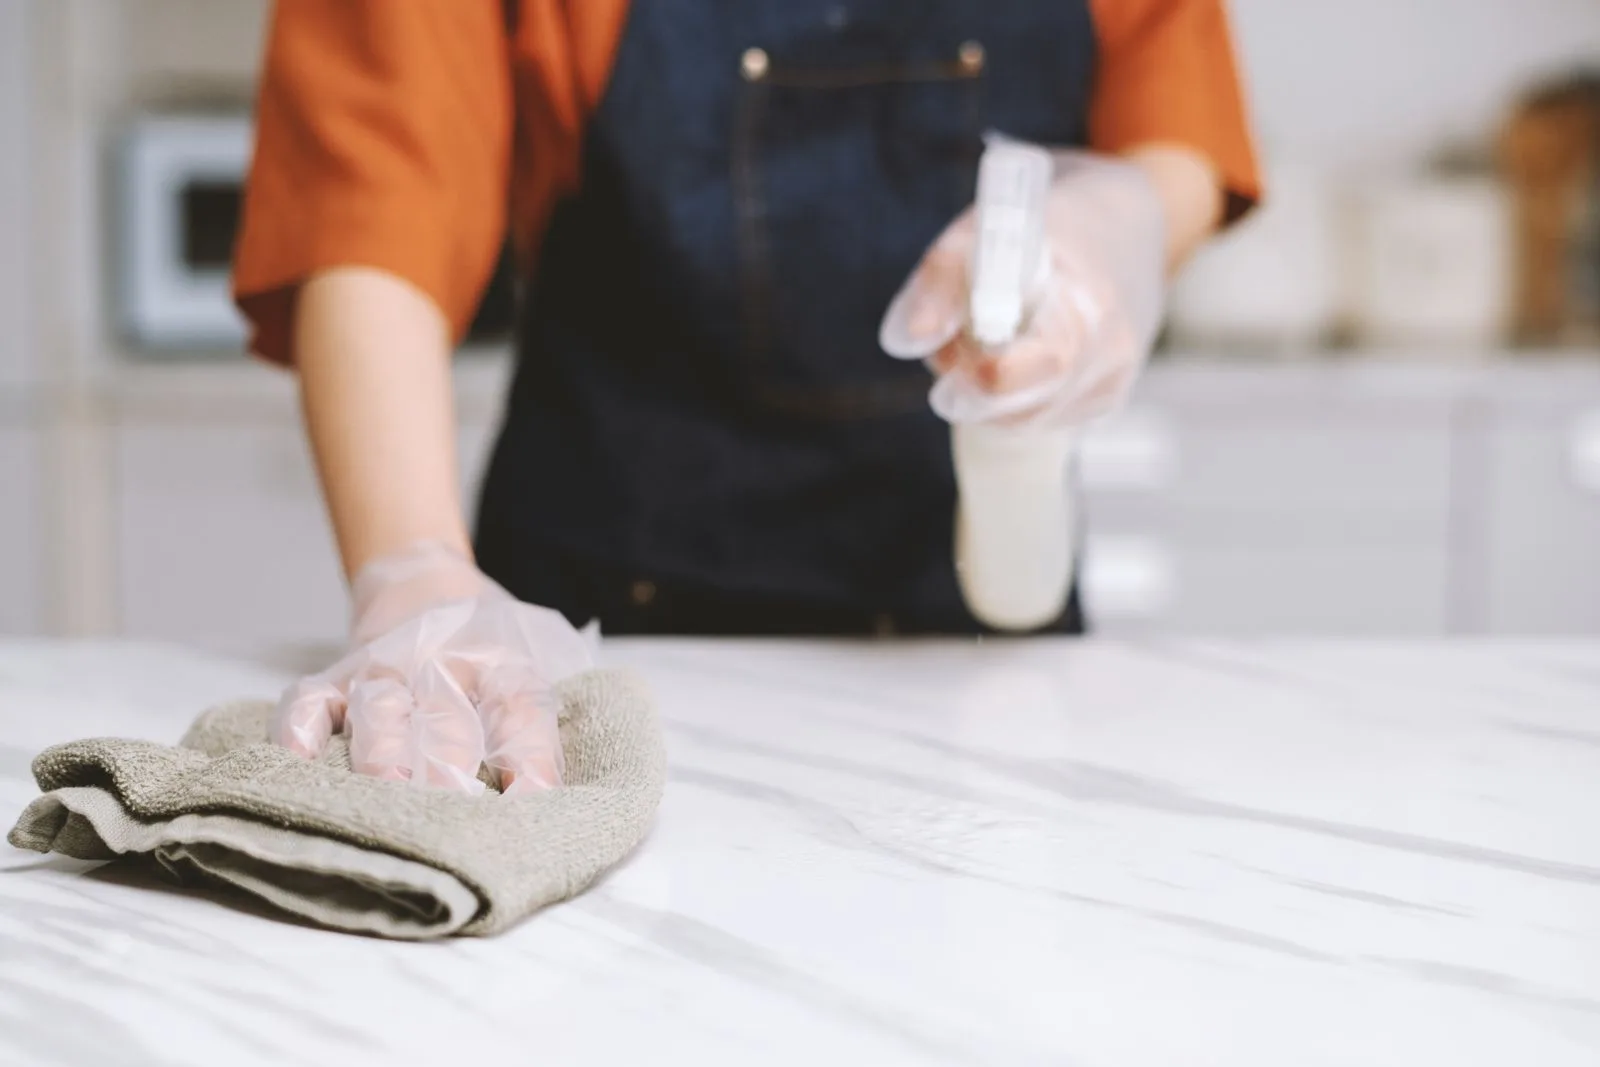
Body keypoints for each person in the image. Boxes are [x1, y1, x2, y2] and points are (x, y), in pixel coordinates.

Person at [232, 0, 1260, 793]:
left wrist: (1121, 221)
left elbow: (1171, 118)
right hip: (586, 644)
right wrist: (412, 562)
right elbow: (372, 199)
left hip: (981, 654)